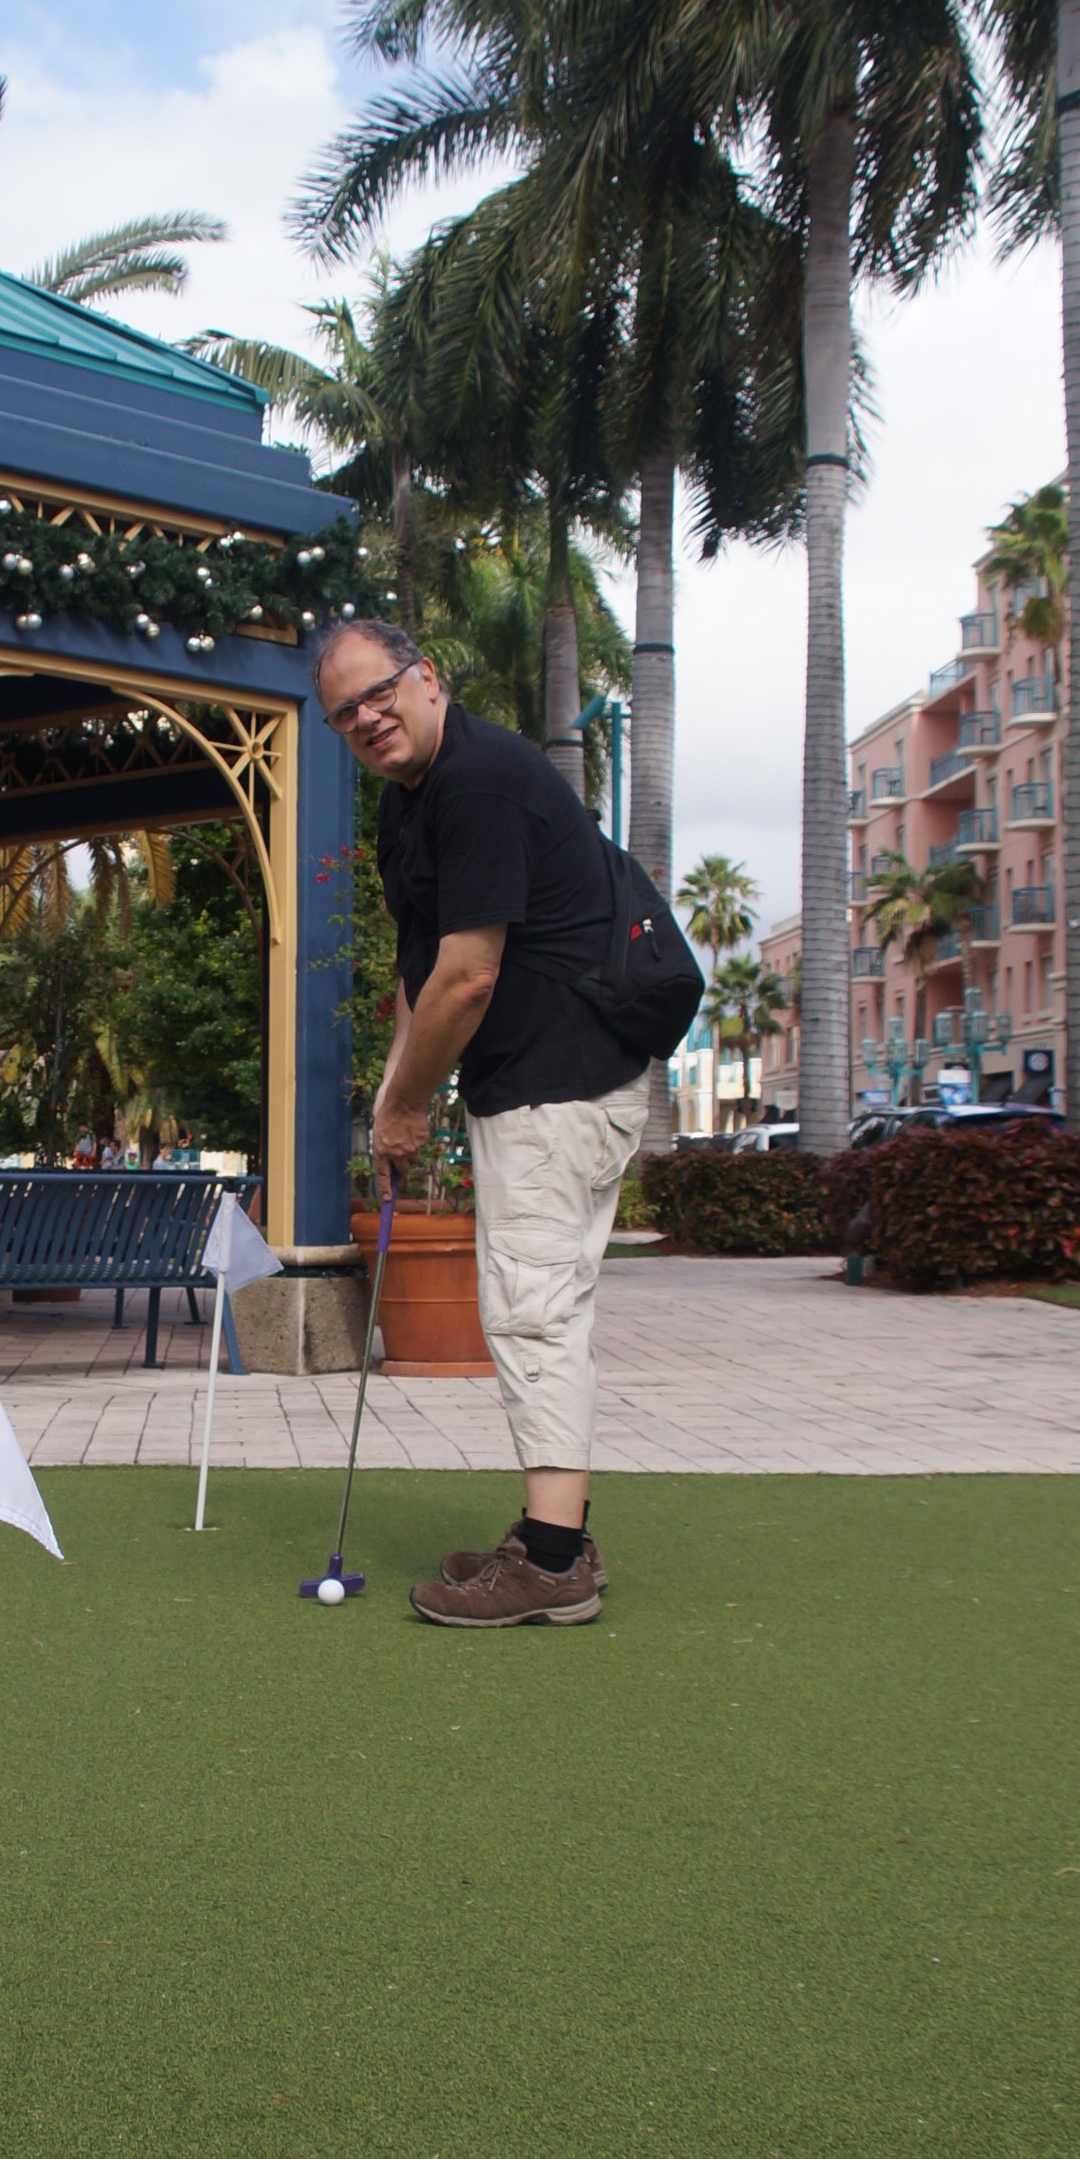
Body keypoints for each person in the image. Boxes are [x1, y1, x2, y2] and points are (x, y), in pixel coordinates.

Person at [317, 616, 650, 1630]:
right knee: (534, 1302)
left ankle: (551, 1565)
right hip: (528, 1080)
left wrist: (411, 1104)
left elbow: (470, 976)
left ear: (426, 676)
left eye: (377, 692)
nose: (365, 718)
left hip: (565, 1077)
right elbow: (423, 975)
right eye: (343, 712)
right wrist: (391, 1103)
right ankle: (557, 1535)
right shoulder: (409, 802)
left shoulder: (480, 781)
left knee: (533, 1310)